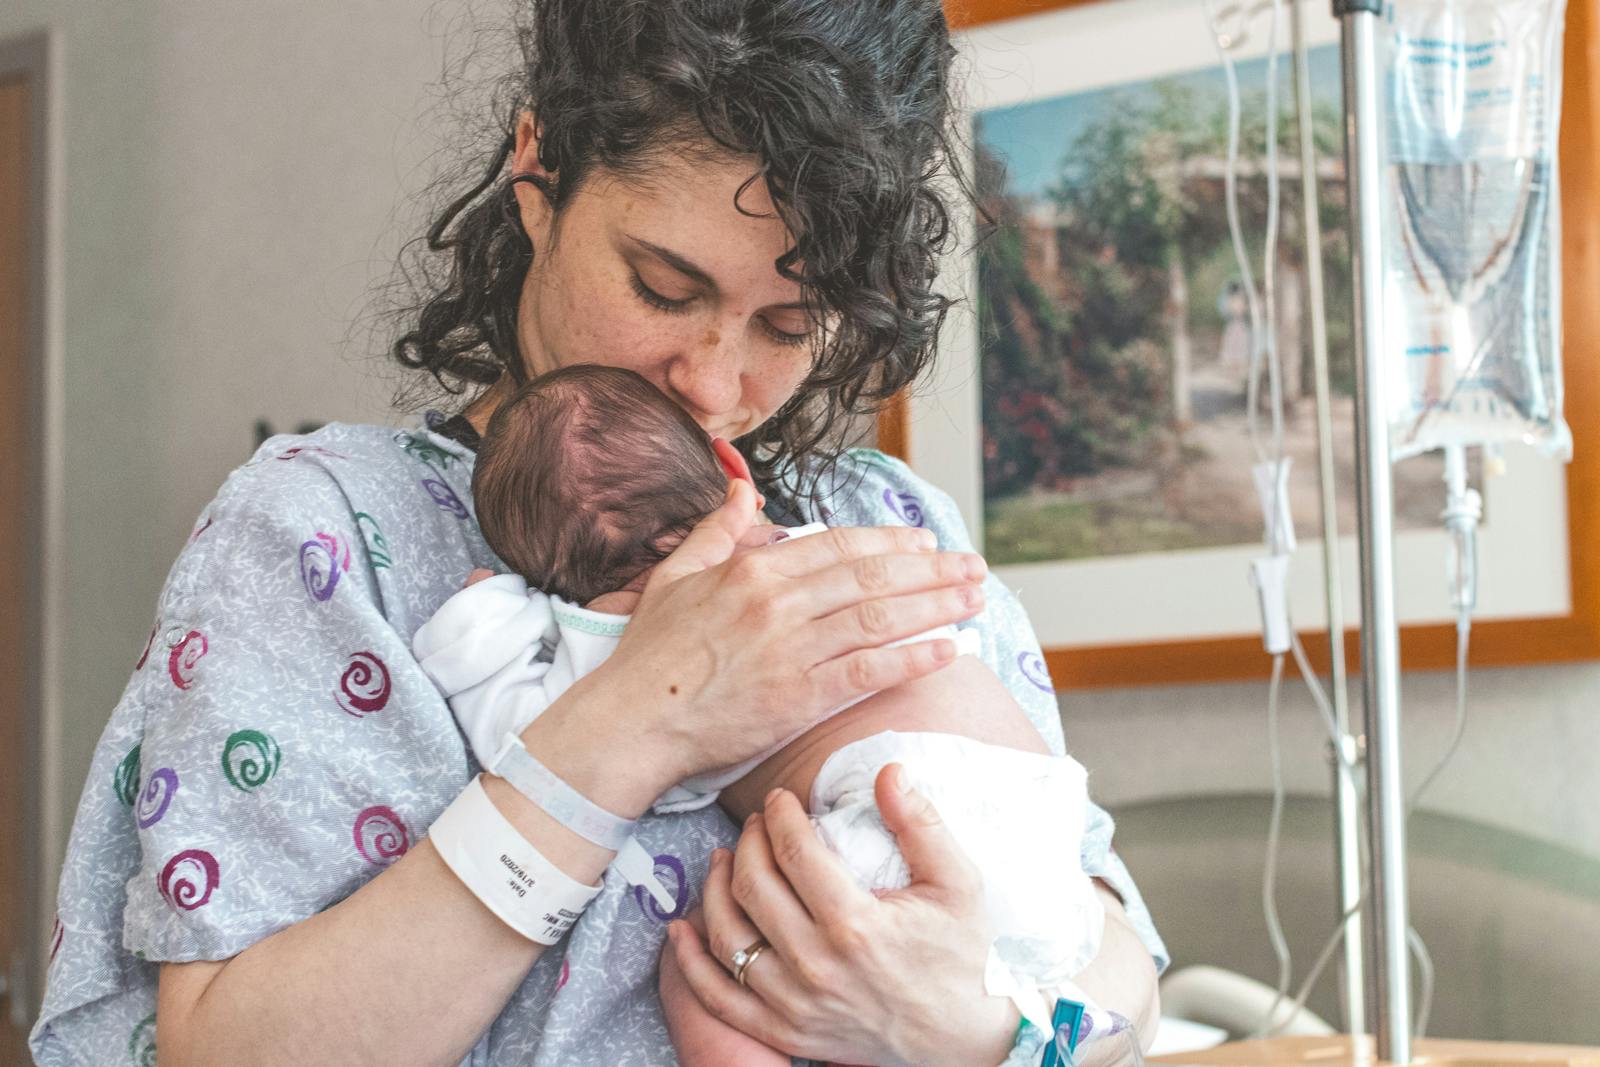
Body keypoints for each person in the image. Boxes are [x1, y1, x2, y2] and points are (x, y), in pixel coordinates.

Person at [30, 1, 1168, 1064]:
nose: (713, 383)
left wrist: (977, 1025)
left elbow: (1120, 959)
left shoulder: (888, 519)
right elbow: (228, 1046)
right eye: (664, 287)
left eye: (788, 324)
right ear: (538, 171)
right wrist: (643, 716)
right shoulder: (326, 533)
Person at [412, 364, 1110, 1064]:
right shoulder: (833, 544)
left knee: (702, 964)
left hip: (897, 835)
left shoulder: (627, 638)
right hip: (1055, 851)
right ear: (731, 471)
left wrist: (482, 620)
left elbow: (521, 738)